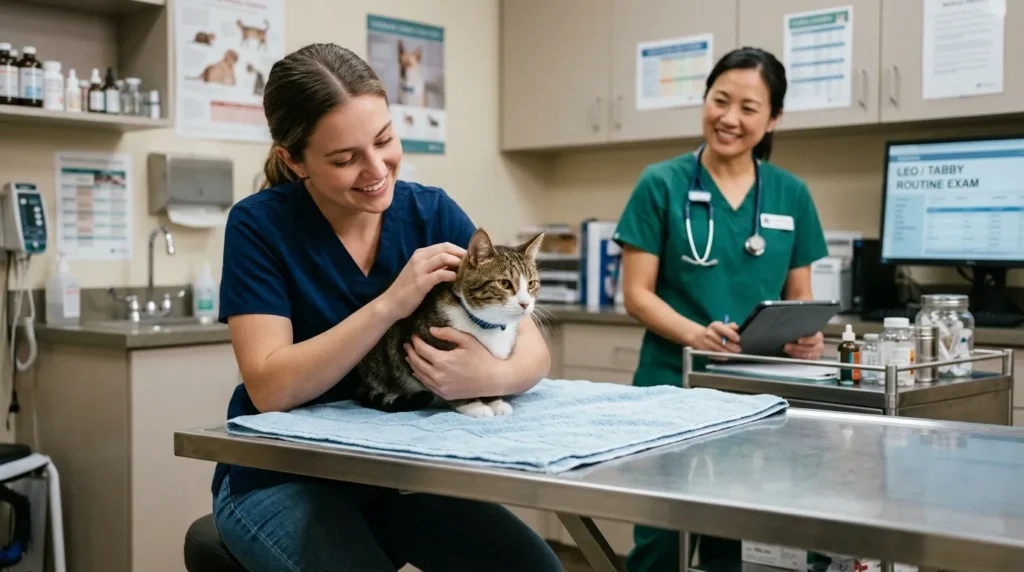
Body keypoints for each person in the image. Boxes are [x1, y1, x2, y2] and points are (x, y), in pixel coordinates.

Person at [212, 42, 563, 572]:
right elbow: (270, 387)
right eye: (344, 158)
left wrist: (488, 373)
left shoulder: (430, 211)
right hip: (283, 472)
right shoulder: (259, 227)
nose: (376, 170)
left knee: (535, 567)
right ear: (293, 159)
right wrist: (390, 303)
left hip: (399, 471)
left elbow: (533, 353)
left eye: (384, 140)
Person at [613, 47, 829, 571]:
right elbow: (636, 294)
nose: (729, 118)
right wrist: (695, 334)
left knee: (740, 540)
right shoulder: (660, 184)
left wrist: (808, 336)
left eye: (749, 108)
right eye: (719, 100)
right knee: (662, 538)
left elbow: (802, 298)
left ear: (773, 118)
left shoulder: (791, 194)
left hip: (759, 391)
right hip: (673, 384)